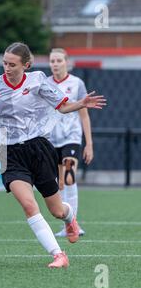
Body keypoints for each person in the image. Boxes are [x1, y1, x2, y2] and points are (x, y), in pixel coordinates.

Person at [0, 42, 105, 268]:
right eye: (4, 63)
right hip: (9, 152)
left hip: (39, 149)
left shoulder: (38, 80)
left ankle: (70, 218)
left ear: (26, 65)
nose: (7, 68)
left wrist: (81, 103)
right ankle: (58, 255)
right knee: (29, 205)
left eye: (12, 64)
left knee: (57, 210)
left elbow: (62, 106)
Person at [48, 48, 93, 237]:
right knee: (59, 184)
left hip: (71, 137)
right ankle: (66, 223)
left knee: (69, 176)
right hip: (51, 139)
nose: (55, 64)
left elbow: (84, 114)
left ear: (67, 62)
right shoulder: (45, 84)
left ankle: (73, 224)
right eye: (52, 61)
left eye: (59, 60)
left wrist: (89, 143)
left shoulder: (76, 84)